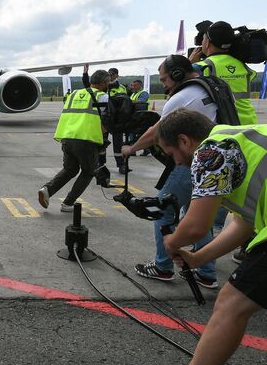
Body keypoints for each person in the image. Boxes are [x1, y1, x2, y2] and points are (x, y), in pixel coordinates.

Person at [128, 109, 266, 365]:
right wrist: (198, 258)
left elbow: (195, 227)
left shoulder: (211, 152)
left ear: (185, 140)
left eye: (171, 153)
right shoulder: (240, 144)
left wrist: (172, 242)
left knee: (232, 304)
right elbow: (244, 224)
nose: (175, 161)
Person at [121, 55, 217, 288]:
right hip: (211, 160)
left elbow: (158, 132)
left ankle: (163, 266)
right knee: (197, 214)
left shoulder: (181, 97)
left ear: (176, 74)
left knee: (162, 210)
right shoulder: (210, 87)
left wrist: (132, 148)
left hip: (192, 163)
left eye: (164, 78)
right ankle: (206, 271)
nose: (162, 83)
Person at [38, 69, 109, 212]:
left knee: (70, 169)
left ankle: (47, 190)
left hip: (67, 137)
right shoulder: (102, 97)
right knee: (88, 171)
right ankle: (68, 203)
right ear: (104, 82)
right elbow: (108, 119)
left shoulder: (75, 93)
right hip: (86, 139)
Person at [190, 21, 258, 125]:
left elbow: (179, 89)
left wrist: (189, 64)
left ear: (207, 43)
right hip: (249, 124)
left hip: (225, 127)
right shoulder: (241, 65)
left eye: (203, 38)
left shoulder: (202, 66)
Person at [128, 79, 151, 155]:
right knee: (138, 133)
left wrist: (127, 101)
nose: (133, 87)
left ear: (140, 86)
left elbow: (141, 101)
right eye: (132, 85)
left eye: (135, 85)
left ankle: (133, 150)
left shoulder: (144, 93)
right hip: (136, 116)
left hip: (144, 117)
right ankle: (146, 150)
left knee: (138, 133)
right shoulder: (133, 94)